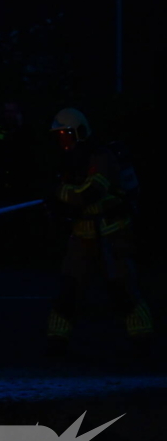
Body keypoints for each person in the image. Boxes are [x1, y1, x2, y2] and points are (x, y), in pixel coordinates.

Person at [44, 108, 152, 356]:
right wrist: (57, 203)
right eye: (59, 137)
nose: (63, 142)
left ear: (80, 132)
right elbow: (70, 198)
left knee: (122, 291)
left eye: (67, 135)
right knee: (69, 289)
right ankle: (56, 343)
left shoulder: (101, 157)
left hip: (112, 233)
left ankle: (143, 341)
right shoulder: (69, 159)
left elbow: (90, 193)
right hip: (83, 235)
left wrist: (59, 193)